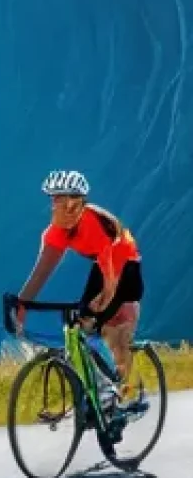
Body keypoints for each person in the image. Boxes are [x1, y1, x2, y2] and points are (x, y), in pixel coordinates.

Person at [16, 170, 144, 401]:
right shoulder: (55, 233)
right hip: (101, 265)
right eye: (53, 199)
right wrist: (21, 304)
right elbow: (41, 273)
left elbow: (111, 278)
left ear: (76, 202)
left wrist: (103, 302)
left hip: (126, 264)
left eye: (60, 199)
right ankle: (99, 385)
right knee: (78, 327)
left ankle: (126, 387)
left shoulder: (95, 225)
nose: (54, 205)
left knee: (113, 326)